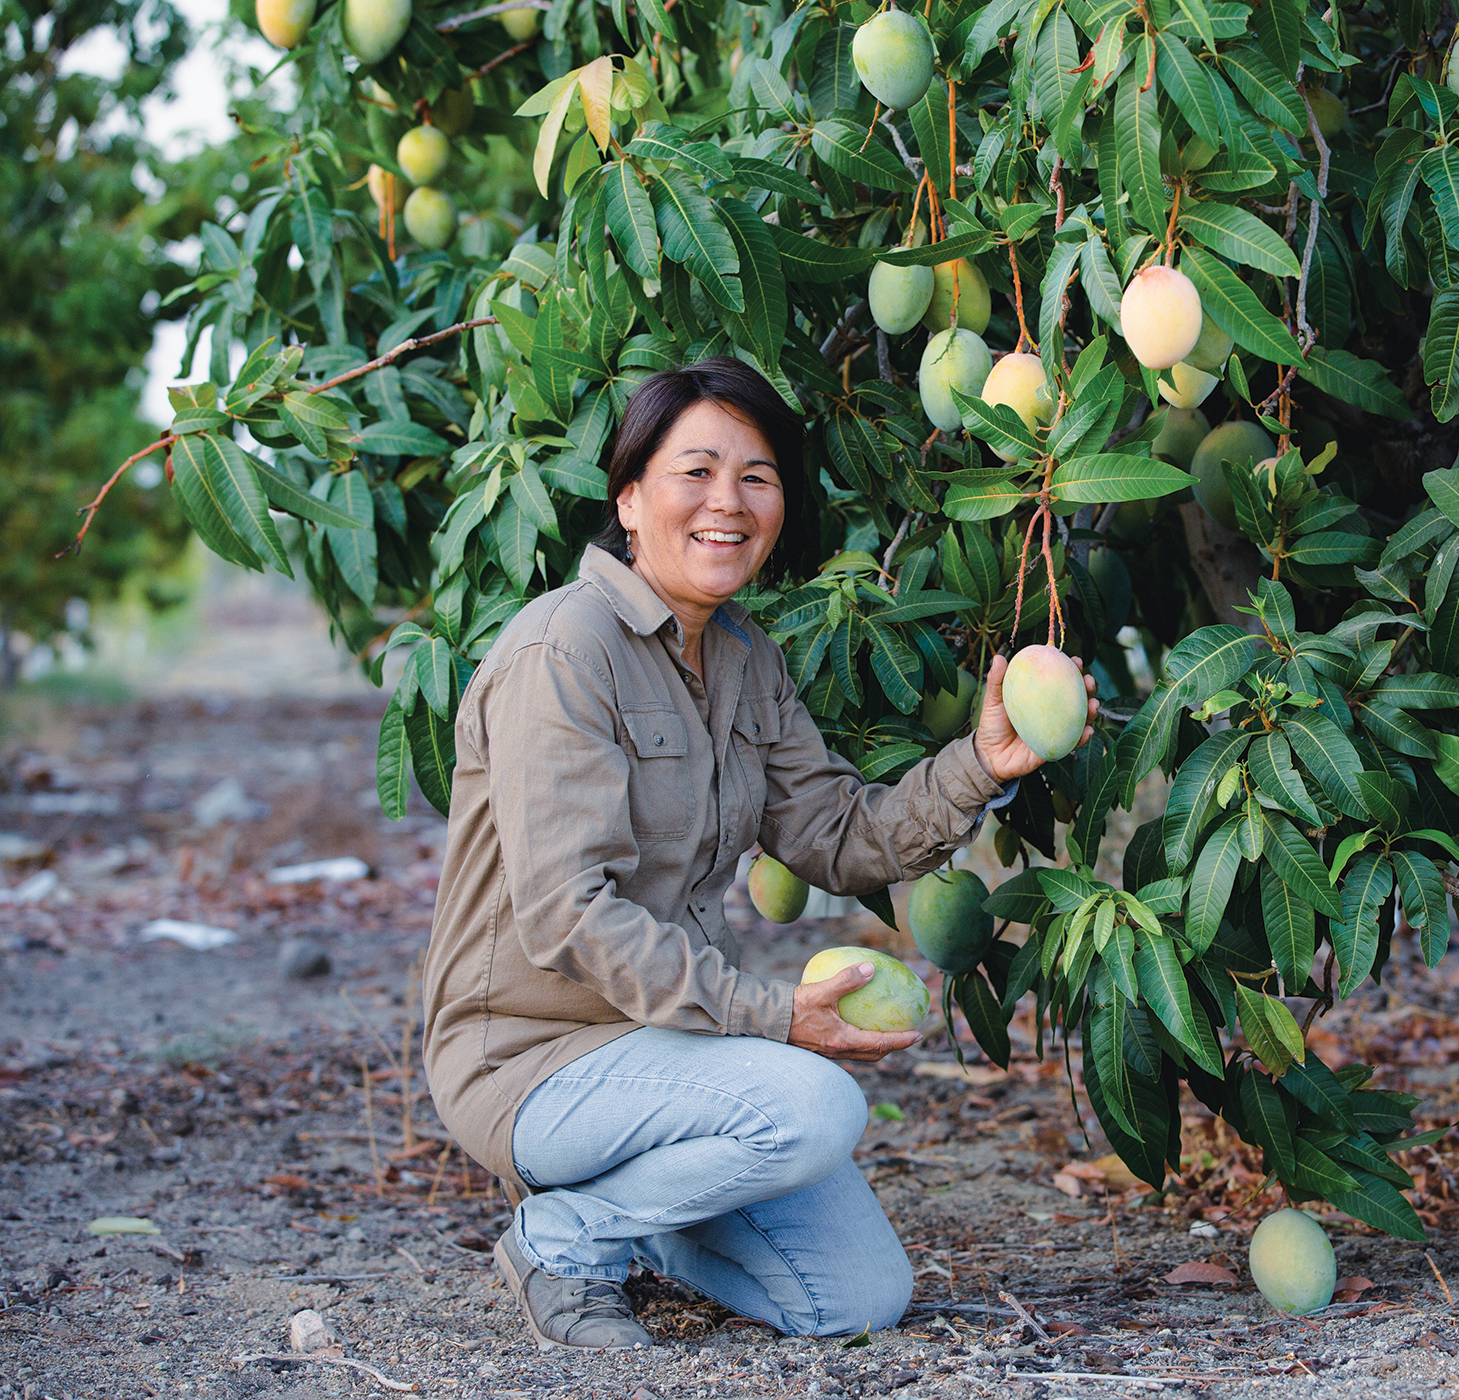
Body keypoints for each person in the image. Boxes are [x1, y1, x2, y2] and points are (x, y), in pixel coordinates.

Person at [420, 357, 1095, 1349]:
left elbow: (837, 834)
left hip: (673, 1061)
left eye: (757, 476)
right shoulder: (562, 652)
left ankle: (634, 1219)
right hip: (531, 1058)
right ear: (629, 496)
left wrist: (981, 764)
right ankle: (566, 1234)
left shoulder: (741, 655)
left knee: (855, 1295)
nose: (726, 503)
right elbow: (569, 915)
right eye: (695, 471)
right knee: (813, 1102)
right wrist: (770, 1016)